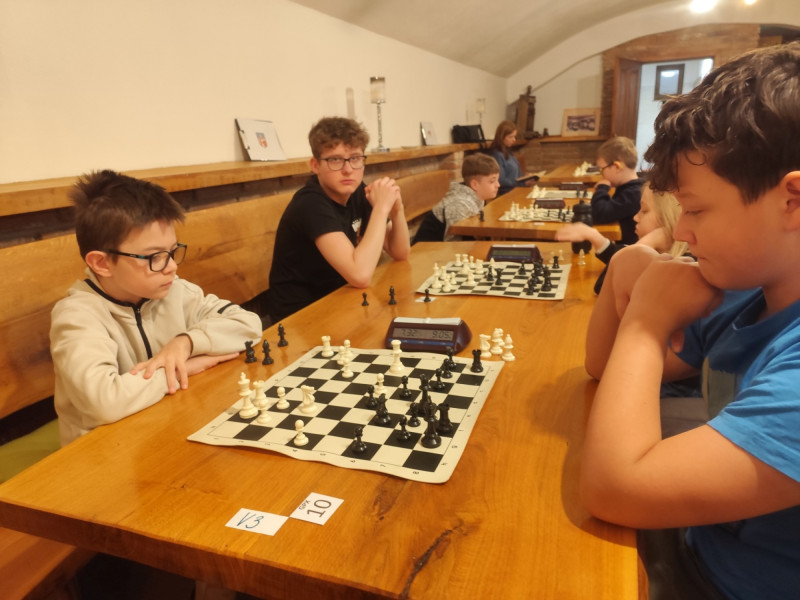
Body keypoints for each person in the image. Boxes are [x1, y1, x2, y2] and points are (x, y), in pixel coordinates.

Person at [580, 42, 800, 600]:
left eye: (696, 210)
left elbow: (613, 488)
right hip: (694, 543)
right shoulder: (749, 290)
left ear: (793, 199)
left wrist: (645, 322)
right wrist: (627, 267)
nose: (681, 232)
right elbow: (604, 369)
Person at [51, 170, 262, 447]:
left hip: (165, 427)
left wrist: (186, 343)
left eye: (172, 252)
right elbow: (103, 402)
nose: (171, 266)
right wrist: (182, 369)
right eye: (155, 257)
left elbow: (248, 324)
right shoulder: (78, 316)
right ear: (102, 263)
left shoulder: (175, 291)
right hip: (100, 453)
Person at [267, 117, 410, 322]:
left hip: (340, 300)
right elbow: (360, 275)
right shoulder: (310, 203)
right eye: (335, 160)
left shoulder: (356, 191)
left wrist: (397, 210)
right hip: (300, 319)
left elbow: (400, 252)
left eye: (355, 158)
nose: (348, 169)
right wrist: (381, 208)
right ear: (315, 165)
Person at [555, 182, 687, 294]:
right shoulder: (660, 251)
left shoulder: (679, 270)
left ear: (669, 219)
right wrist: (594, 236)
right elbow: (619, 255)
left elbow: (603, 286)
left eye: (644, 211)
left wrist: (642, 246)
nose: (635, 217)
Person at [413, 153, 500, 243]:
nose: (498, 185)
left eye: (497, 180)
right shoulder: (459, 205)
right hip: (427, 249)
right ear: (475, 185)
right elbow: (454, 243)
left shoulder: (476, 197)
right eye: (492, 181)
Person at [590, 136, 644, 245]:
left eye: (602, 169)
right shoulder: (631, 188)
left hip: (629, 249)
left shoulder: (634, 194)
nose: (601, 174)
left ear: (616, 167)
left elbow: (599, 214)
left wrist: (602, 189)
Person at [488, 120, 536, 195]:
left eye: (514, 137)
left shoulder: (508, 152)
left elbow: (515, 176)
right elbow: (501, 181)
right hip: (507, 194)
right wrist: (523, 183)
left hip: (516, 191)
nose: (514, 140)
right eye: (511, 137)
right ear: (501, 137)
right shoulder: (497, 155)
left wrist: (526, 177)